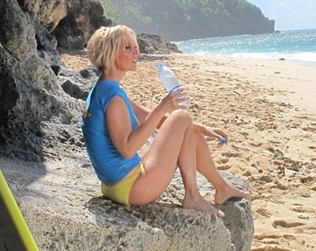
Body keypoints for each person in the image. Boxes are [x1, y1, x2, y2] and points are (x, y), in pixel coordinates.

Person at [81, 25, 247, 215]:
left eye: (135, 46)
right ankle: (192, 196)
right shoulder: (113, 97)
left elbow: (152, 119)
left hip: (114, 184)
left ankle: (222, 188)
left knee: (189, 132)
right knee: (181, 116)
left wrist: (203, 128)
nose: (136, 51)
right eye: (128, 48)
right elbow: (127, 150)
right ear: (109, 53)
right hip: (131, 188)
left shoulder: (105, 89)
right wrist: (163, 106)